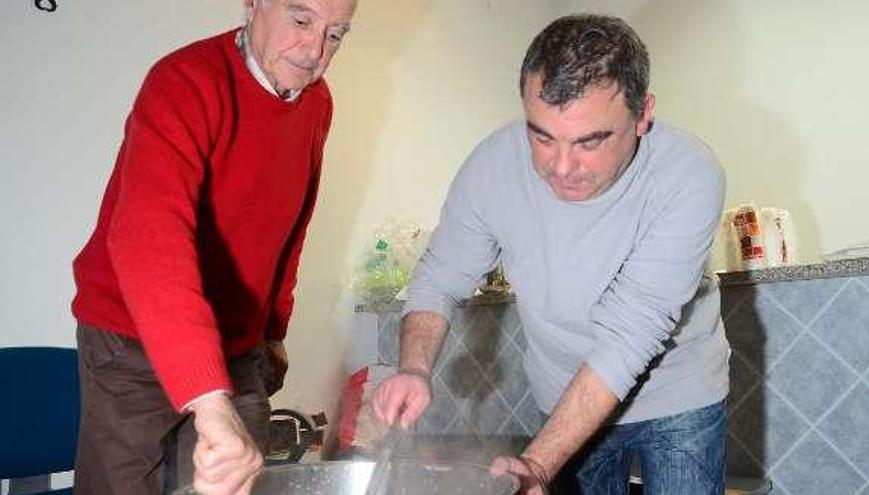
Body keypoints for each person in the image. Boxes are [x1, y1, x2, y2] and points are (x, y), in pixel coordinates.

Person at [372, 14, 729, 495]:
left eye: (591, 141)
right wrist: (414, 368)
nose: (561, 167)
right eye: (542, 136)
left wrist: (538, 463)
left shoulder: (689, 174)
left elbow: (630, 335)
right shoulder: (491, 166)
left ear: (643, 114)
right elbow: (439, 276)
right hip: (563, 399)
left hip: (677, 396)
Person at [70, 0, 357, 493]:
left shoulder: (317, 102)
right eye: (301, 19)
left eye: (336, 35)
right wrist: (207, 399)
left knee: (236, 481)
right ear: (252, 4)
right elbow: (148, 241)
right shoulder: (183, 82)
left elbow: (292, 219)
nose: (314, 51)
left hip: (236, 340)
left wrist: (272, 328)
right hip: (130, 335)